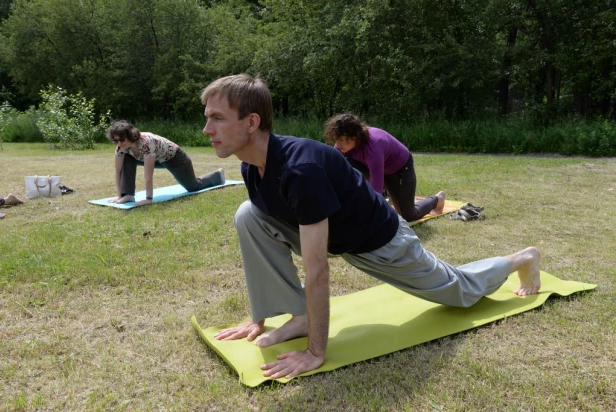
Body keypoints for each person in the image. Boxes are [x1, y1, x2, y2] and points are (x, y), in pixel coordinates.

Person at [200, 74, 541, 380]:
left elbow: (317, 269)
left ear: (251, 122)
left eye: (217, 118)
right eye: (207, 119)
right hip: (339, 236)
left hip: (381, 241)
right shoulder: (251, 167)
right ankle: (299, 317)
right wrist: (258, 319)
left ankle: (520, 259)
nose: (207, 130)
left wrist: (315, 352)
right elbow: (270, 233)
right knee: (249, 215)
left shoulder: (300, 169)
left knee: (459, 292)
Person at [324, 114, 445, 222]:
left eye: (341, 141)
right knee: (341, 164)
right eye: (337, 140)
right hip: (373, 167)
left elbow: (376, 188)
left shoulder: (373, 148)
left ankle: (436, 200)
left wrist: (371, 218)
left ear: (355, 137)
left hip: (399, 170)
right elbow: (333, 171)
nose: (338, 145)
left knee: (408, 216)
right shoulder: (342, 146)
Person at [106, 120, 225, 206]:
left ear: (130, 135)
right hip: (158, 158)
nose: (119, 143)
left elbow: (148, 176)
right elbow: (118, 171)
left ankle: (217, 176)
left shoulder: (146, 143)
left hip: (175, 158)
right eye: (116, 140)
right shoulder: (121, 148)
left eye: (122, 139)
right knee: (127, 158)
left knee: (193, 187)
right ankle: (128, 194)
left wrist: (148, 199)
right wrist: (119, 195)